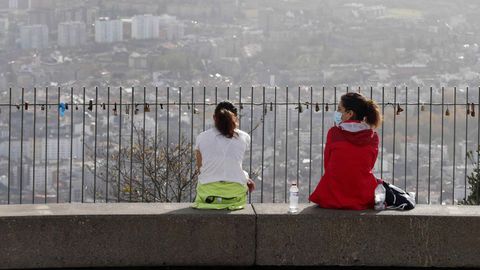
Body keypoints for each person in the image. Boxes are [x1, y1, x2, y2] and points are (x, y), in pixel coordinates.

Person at [309, 92, 382, 210]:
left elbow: (327, 164)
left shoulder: (334, 133)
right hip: (362, 194)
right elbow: (369, 165)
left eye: (339, 109)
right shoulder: (373, 137)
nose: (337, 113)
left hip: (331, 195)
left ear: (349, 113)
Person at [193, 101, 255, 210]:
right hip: (235, 195)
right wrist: (245, 177)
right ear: (235, 118)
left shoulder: (201, 137)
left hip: (208, 195)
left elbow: (200, 169)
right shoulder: (244, 137)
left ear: (214, 118)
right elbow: (233, 164)